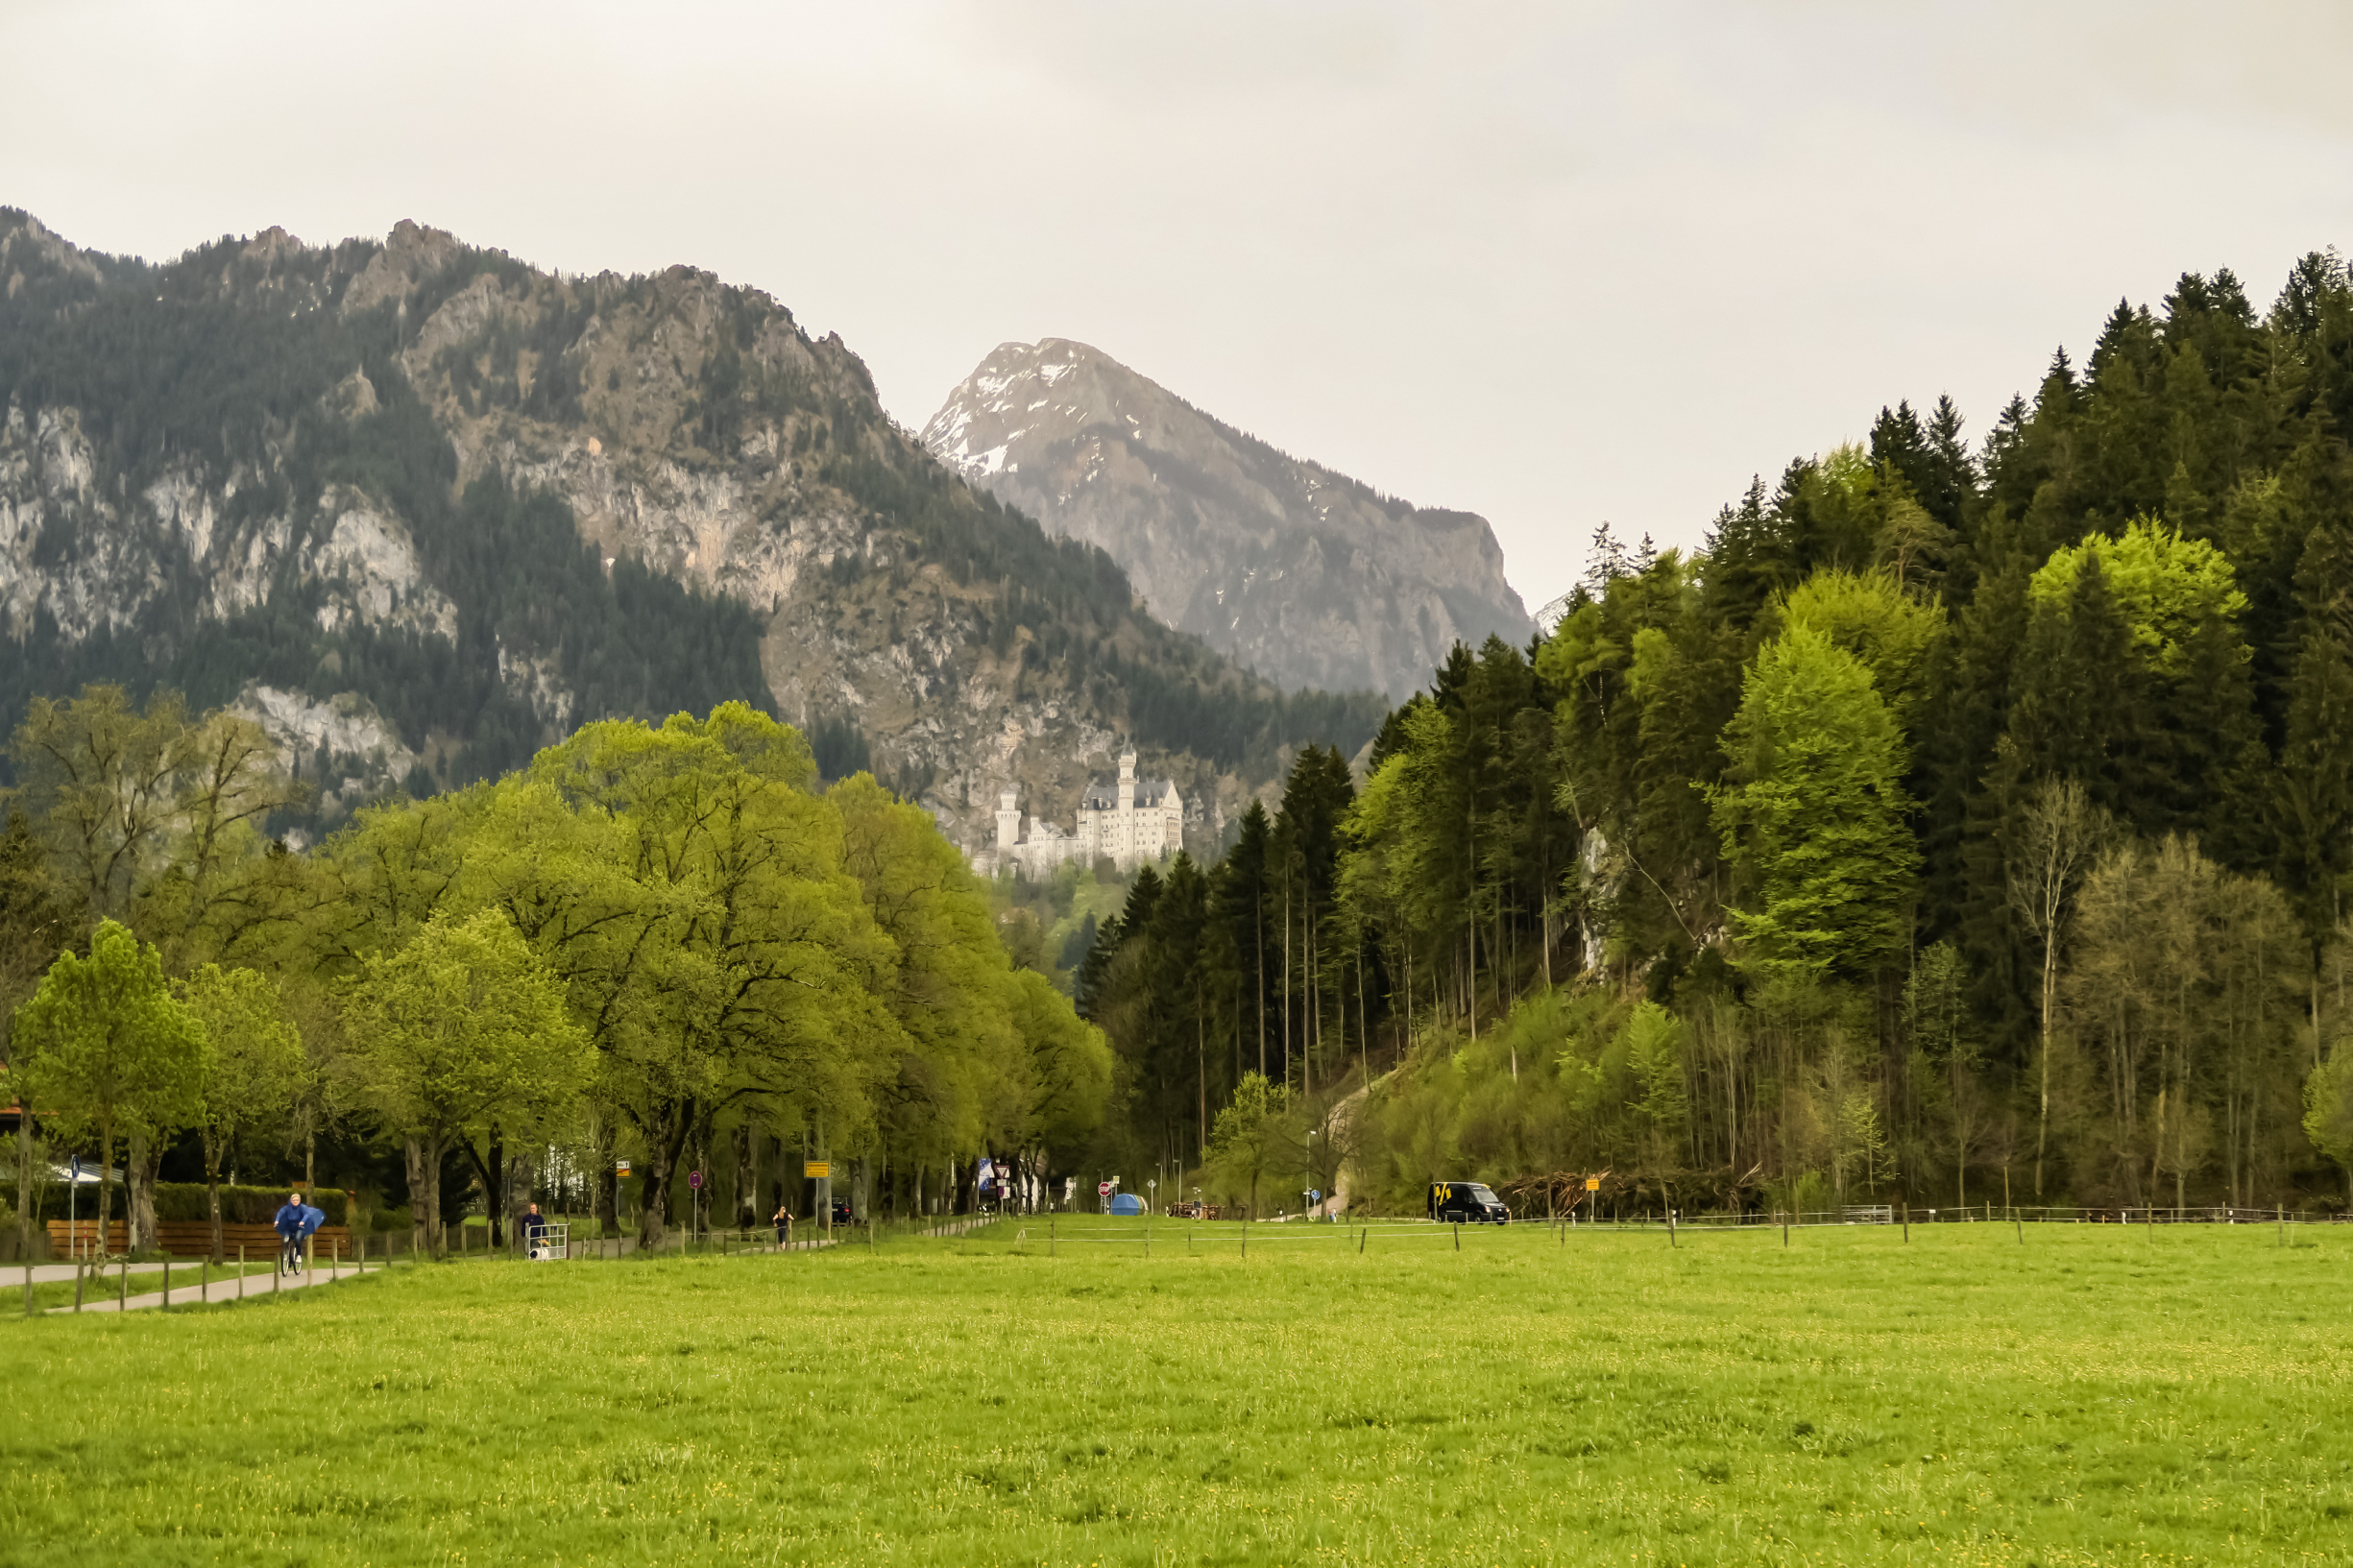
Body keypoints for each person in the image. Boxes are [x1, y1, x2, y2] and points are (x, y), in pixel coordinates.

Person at [274, 1192, 325, 1275]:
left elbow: (306, 1215)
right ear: (291, 1200)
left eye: (297, 1200)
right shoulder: (287, 1208)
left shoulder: (302, 1207)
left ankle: (298, 1255)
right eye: (294, 1200)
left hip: (300, 1228)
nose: (295, 1201)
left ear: (299, 1200)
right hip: (289, 1228)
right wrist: (277, 1220)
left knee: (297, 1239)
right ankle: (287, 1256)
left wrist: (302, 1221)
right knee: (285, 1239)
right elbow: (280, 1213)